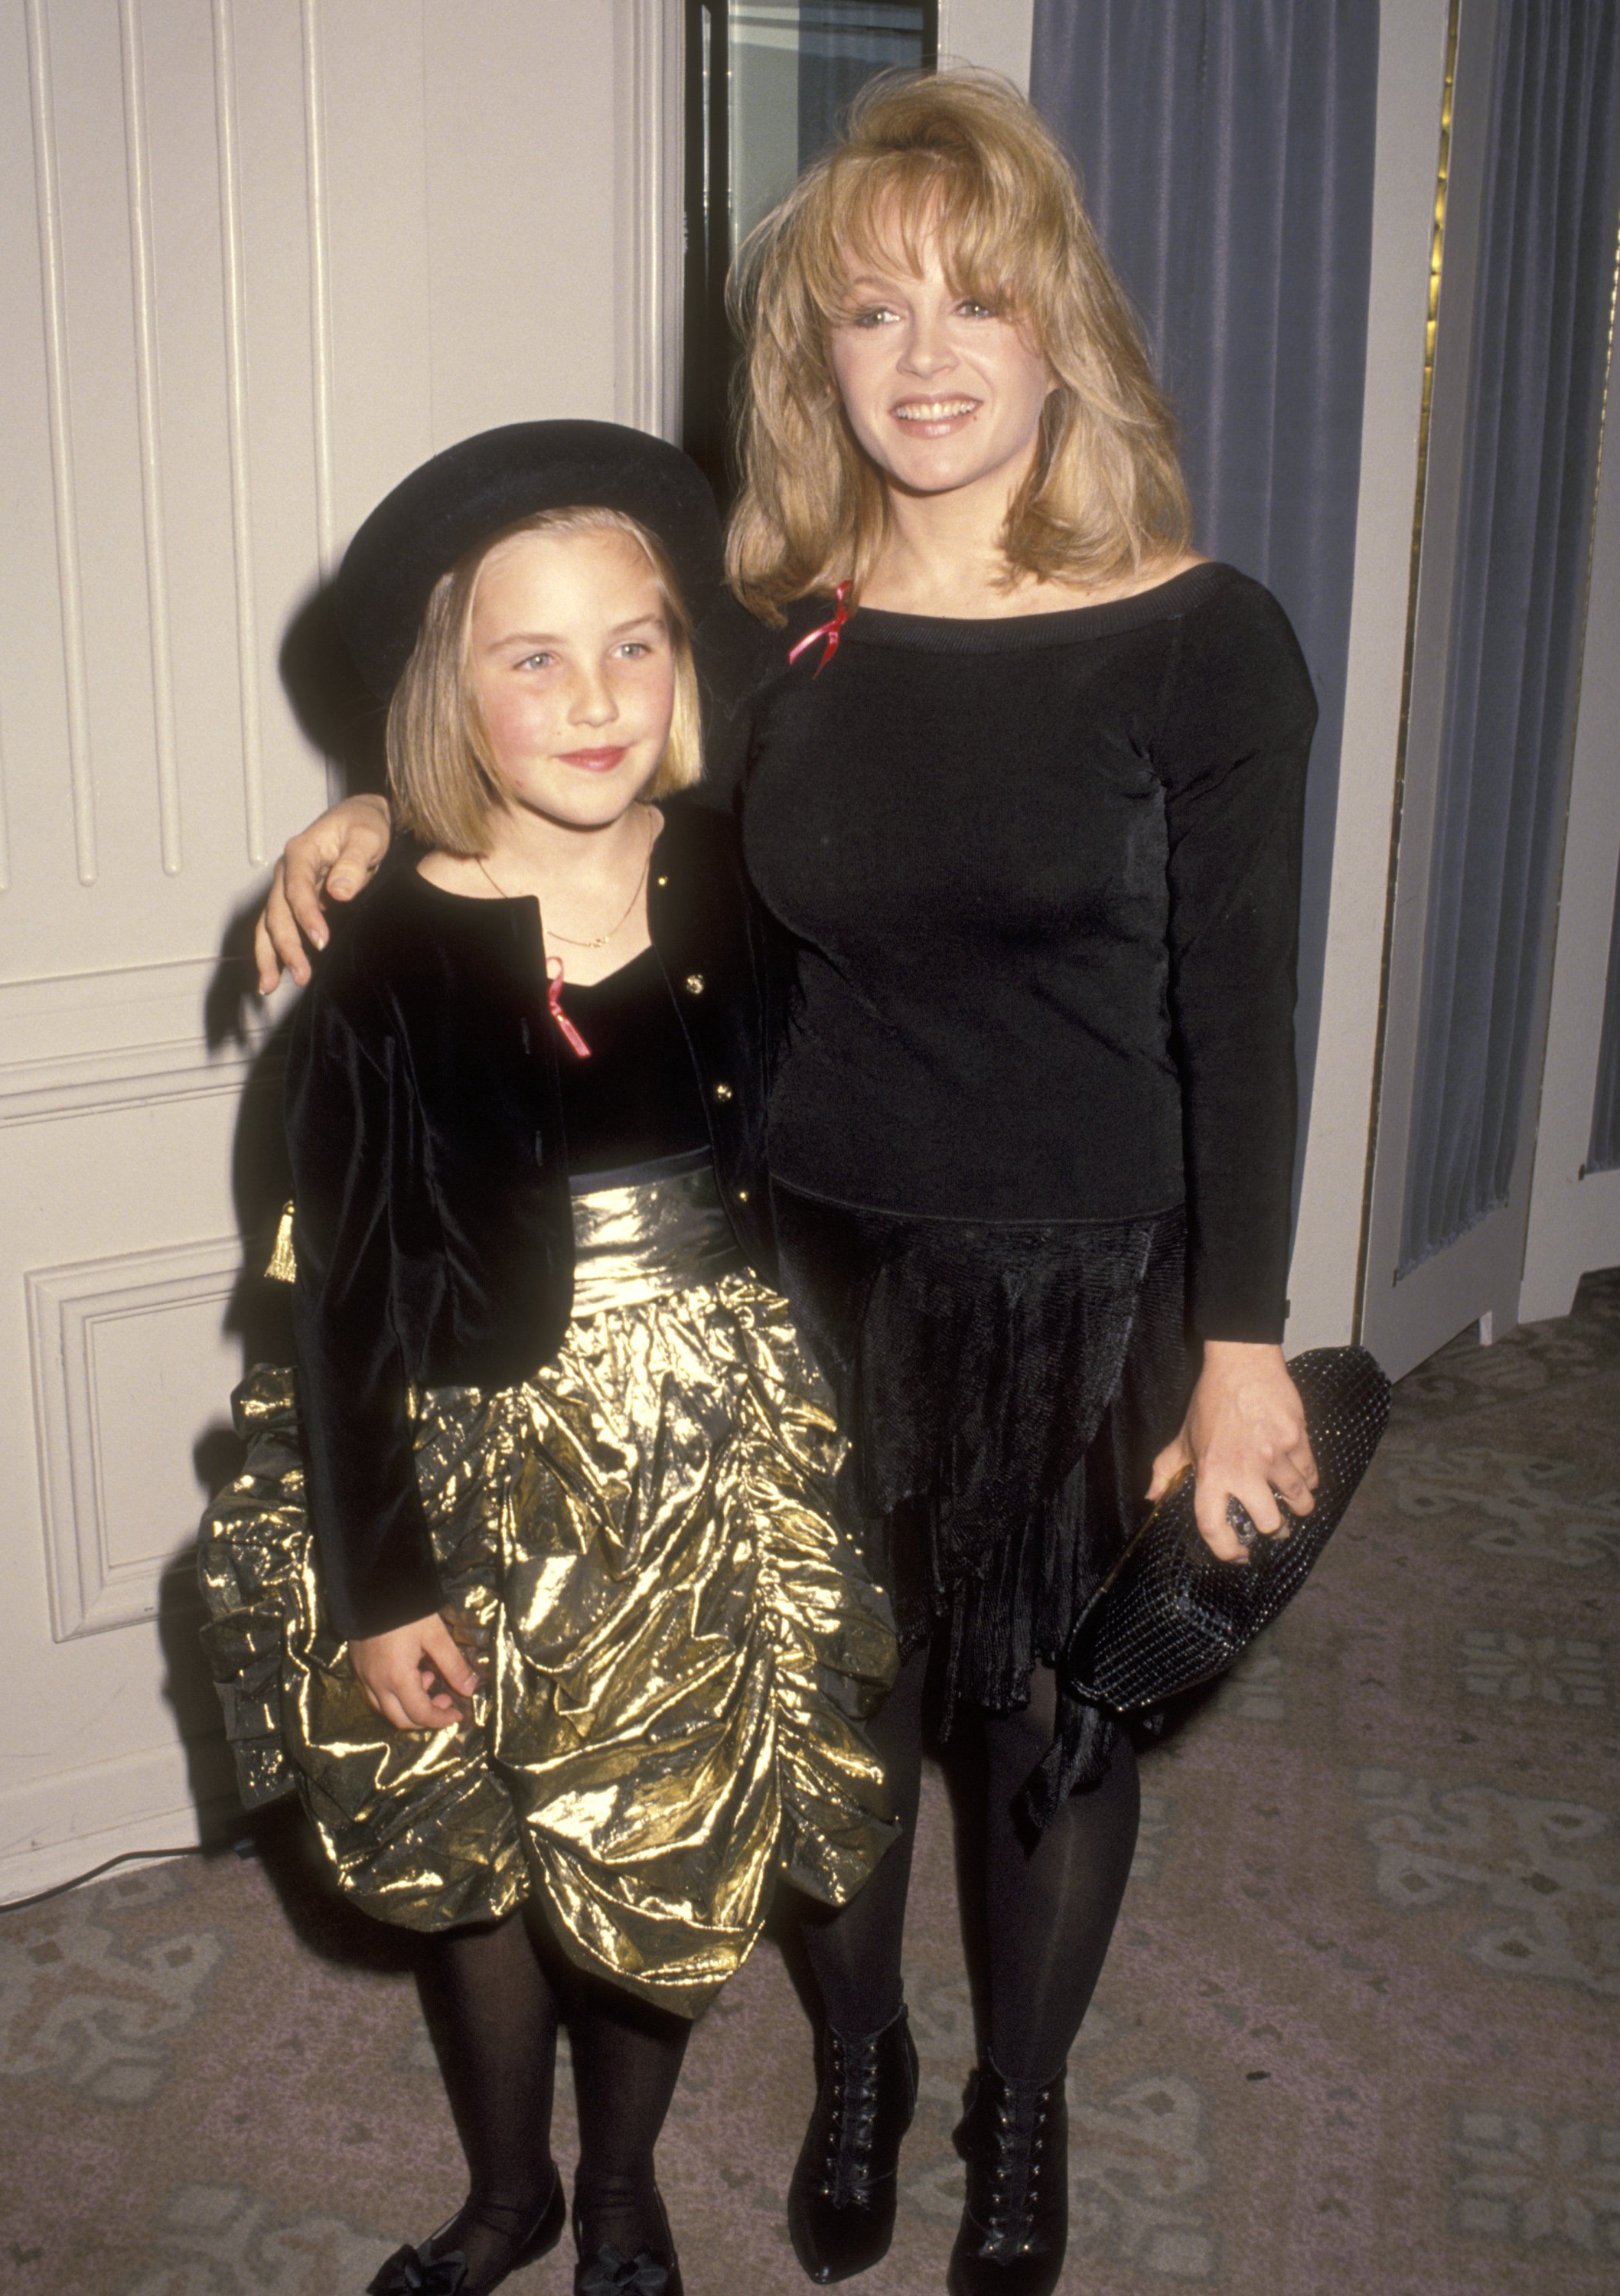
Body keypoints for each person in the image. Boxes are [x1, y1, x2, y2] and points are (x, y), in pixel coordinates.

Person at [254, 73, 1321, 2296]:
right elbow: (563, 719)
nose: (925, 356)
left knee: (1039, 1724)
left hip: (1082, 1262)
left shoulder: (1201, 641)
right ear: (810, 358)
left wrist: (1234, 1346)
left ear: (1062, 333)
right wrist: (372, 817)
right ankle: (863, 2062)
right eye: (866, 312)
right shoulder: (774, 626)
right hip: (808, 1256)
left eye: (977, 300)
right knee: (818, 1712)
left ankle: (1017, 2118)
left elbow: (1245, 1014)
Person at [199, 421, 898, 2296]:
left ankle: (619, 2187)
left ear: (687, 660)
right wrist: (380, 1579)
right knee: (477, 1840)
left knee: (643, 1824)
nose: (594, 699)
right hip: (459, 1453)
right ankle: (508, 2187)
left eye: (636, 642)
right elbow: (342, 1295)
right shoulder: (385, 952)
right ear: (453, 688)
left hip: (701, 1451)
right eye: (533, 657)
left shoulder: (753, 872)